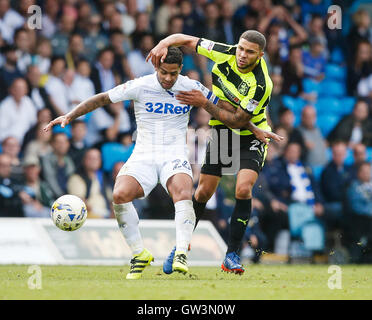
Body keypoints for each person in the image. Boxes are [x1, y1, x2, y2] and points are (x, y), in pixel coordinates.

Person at [44, 48, 219, 279]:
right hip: (144, 154)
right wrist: (70, 115)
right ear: (157, 67)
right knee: (119, 194)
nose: (168, 78)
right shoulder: (141, 85)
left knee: (183, 192)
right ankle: (139, 253)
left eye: (173, 74)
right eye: (164, 72)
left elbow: (224, 109)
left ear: (180, 71)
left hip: (174, 154)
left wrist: (208, 104)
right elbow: (103, 98)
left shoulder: (191, 86)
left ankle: (181, 252)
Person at [147, 30, 283, 274]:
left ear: (260, 55)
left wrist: (203, 103)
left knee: (243, 188)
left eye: (250, 52)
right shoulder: (225, 52)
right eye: (241, 48)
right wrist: (163, 43)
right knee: (203, 192)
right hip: (222, 132)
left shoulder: (261, 84)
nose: (242, 55)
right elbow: (187, 40)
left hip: (252, 135)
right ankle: (180, 247)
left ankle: (231, 255)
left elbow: (238, 120)